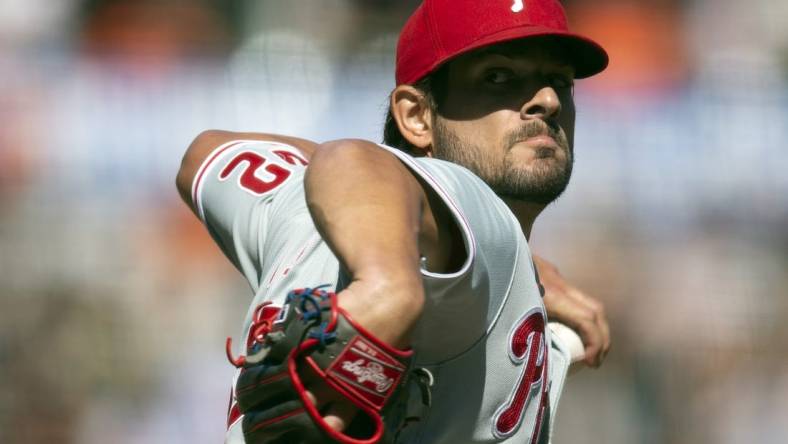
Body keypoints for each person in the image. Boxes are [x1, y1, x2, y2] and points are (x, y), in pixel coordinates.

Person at [176, 0, 611, 442]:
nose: (548, 101)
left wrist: (520, 267)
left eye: (558, 81)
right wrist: (386, 289)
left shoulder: (294, 205)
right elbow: (356, 156)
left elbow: (203, 156)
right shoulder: (480, 217)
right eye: (498, 77)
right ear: (416, 117)